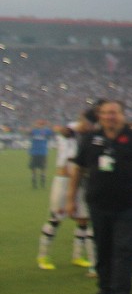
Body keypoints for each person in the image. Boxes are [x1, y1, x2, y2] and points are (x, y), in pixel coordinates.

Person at [67, 100, 132, 294]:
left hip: (128, 204)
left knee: (123, 249)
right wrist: (70, 198)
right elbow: (78, 169)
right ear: (100, 116)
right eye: (105, 113)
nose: (110, 117)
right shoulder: (91, 139)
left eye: (114, 113)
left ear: (123, 115)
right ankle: (105, 290)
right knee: (103, 248)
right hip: (98, 204)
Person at [37, 107, 97, 272]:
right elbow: (68, 162)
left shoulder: (91, 135)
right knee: (56, 217)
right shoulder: (70, 132)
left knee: (83, 218)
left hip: (81, 181)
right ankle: (43, 255)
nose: (87, 126)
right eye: (85, 122)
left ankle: (77, 255)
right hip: (64, 182)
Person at [29, 118, 55, 189]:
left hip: (43, 153)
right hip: (34, 152)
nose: (39, 125)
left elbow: (53, 132)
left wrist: (49, 124)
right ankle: (34, 183)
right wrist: (33, 125)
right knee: (33, 169)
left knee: (43, 169)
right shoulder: (34, 131)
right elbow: (29, 132)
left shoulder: (46, 131)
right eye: (38, 124)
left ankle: (42, 183)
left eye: (41, 124)